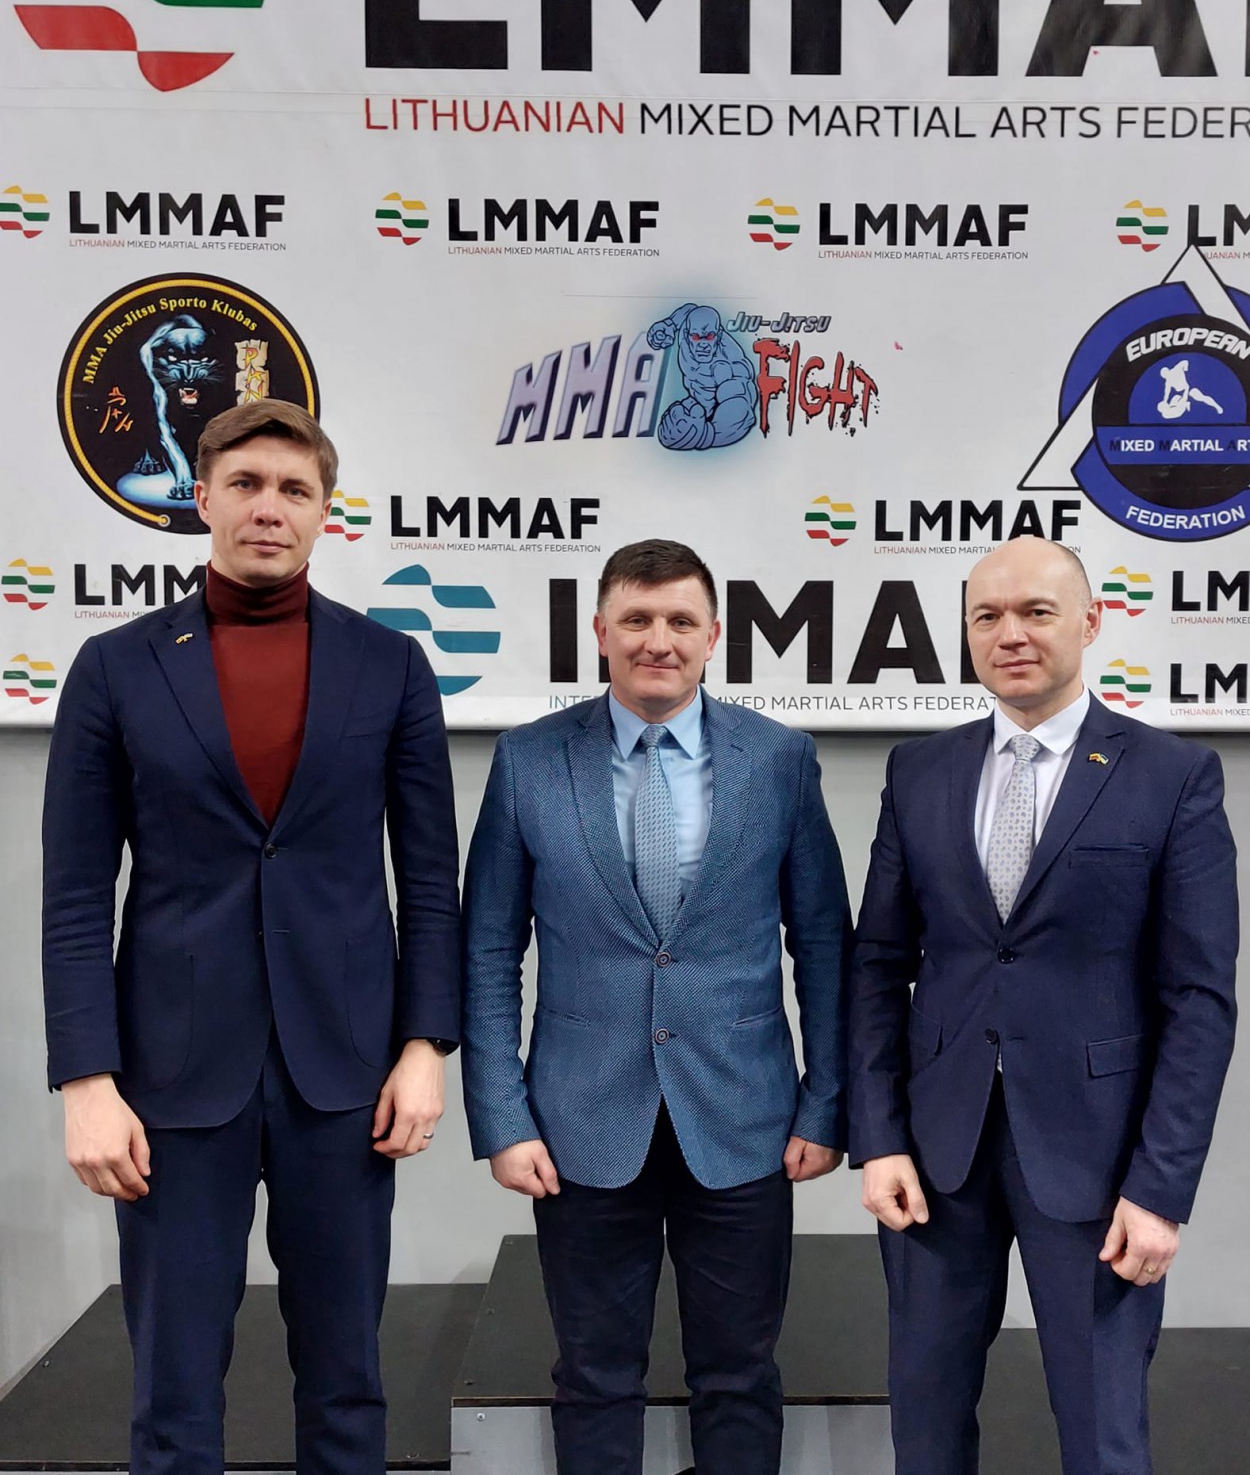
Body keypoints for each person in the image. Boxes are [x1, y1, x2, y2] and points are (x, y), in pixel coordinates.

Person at [42, 402, 461, 1475]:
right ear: (203, 500)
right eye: (246, 484)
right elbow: (77, 893)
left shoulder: (391, 664)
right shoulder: (115, 667)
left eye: (293, 489)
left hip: (345, 1076)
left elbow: (428, 879)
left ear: (324, 514)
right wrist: (86, 1079)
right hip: (170, 1082)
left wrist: (425, 1047)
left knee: (347, 1384)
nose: (269, 507)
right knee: (173, 1392)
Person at [461, 538, 850, 1475]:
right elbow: (486, 950)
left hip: (747, 1119)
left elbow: (826, 946)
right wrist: (503, 1116)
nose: (658, 640)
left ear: (714, 637)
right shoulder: (528, 761)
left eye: (680, 620)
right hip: (580, 1122)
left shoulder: (780, 760)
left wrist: (826, 1103)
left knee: (740, 1374)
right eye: (636, 619)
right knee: (594, 1376)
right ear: (600, 632)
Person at [850, 536, 1238, 1475]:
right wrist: (879, 1137)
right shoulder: (919, 771)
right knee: (926, 1429)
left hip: (1098, 1164)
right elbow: (878, 964)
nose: (1010, 634)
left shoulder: (1171, 776)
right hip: (935, 1158)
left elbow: (1199, 998)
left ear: (1091, 622)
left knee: (1103, 1436)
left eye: (1036, 612)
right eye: (987, 616)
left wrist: (1160, 1189)